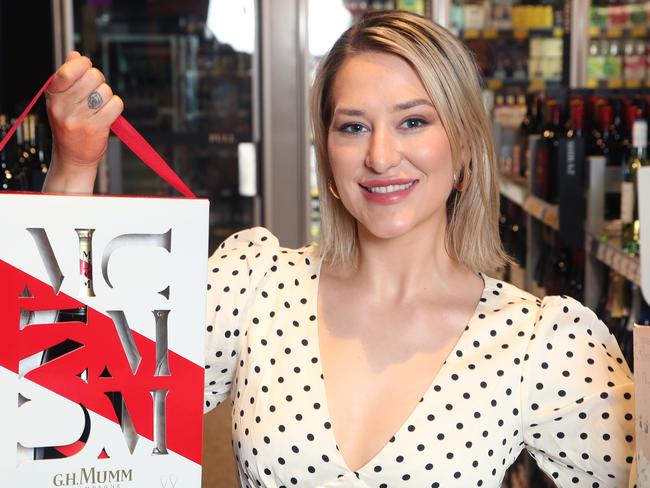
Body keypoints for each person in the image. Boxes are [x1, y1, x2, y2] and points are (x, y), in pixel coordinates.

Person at [43, 11, 637, 488]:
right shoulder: (255, 284)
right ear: (327, 152)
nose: (380, 156)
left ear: (463, 146)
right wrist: (74, 166)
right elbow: (77, 404)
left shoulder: (542, 342)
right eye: (352, 127)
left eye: (412, 122)